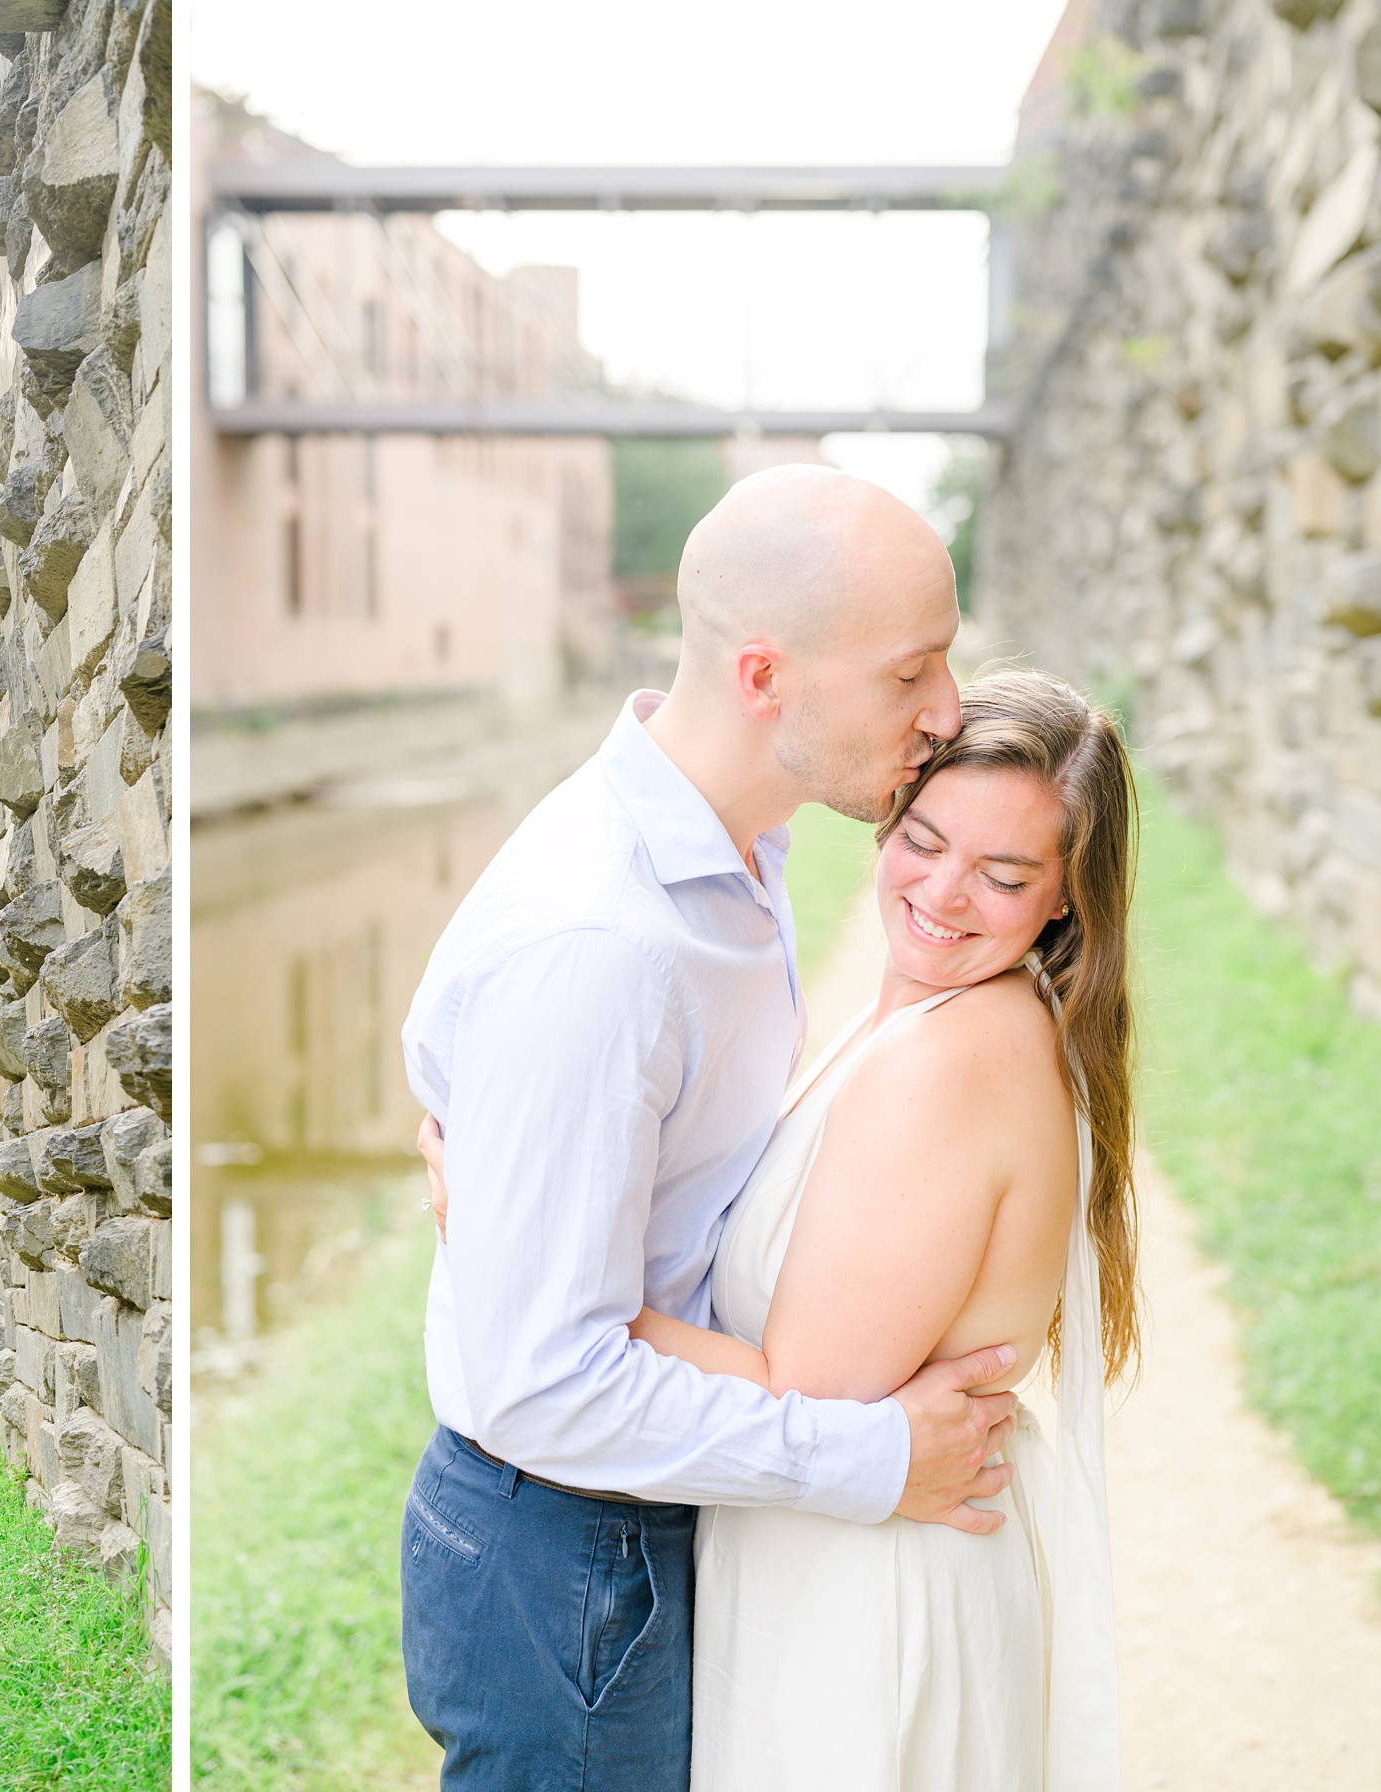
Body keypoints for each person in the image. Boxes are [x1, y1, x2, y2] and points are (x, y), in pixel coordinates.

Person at [397, 464, 1015, 1790]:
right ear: (762, 676)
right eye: (911, 674)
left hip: (649, 1517)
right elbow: (544, 1381)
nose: (947, 712)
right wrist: (872, 1454)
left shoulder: (742, 852)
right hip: (569, 1566)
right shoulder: (602, 940)